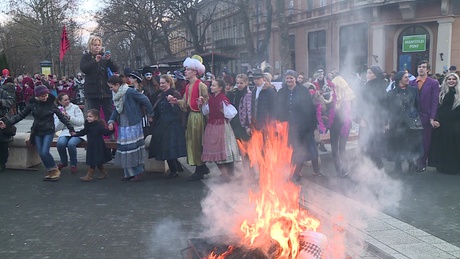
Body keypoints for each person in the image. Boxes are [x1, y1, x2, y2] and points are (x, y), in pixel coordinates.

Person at [0, 85, 76, 181]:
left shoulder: (51, 104)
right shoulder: (32, 104)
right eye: (42, 96)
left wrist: (71, 128)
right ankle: (50, 171)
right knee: (41, 153)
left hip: (48, 130)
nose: (45, 98)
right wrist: (7, 123)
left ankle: (54, 169)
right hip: (37, 131)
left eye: (46, 95)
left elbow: (61, 117)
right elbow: (20, 115)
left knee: (45, 152)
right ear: (37, 96)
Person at [167, 56, 210, 181]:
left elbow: (207, 101)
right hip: (192, 116)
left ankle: (199, 168)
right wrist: (176, 101)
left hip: (198, 117)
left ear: (195, 71)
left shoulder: (200, 85)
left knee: (197, 142)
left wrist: (202, 101)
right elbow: (185, 103)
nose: (185, 71)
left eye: (188, 69)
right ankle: (201, 167)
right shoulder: (188, 86)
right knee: (192, 142)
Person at [275, 70, 322, 181]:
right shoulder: (281, 92)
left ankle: (297, 172)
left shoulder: (303, 91)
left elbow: (310, 109)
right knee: (289, 150)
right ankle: (290, 171)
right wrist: (277, 122)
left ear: (295, 78)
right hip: (286, 126)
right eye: (287, 78)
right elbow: (277, 109)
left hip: (302, 126)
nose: (289, 80)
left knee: (300, 150)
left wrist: (312, 126)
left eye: (291, 78)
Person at [107, 75, 154, 182]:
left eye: (111, 87)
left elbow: (145, 99)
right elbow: (117, 109)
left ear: (117, 85)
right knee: (125, 149)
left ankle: (137, 171)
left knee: (131, 149)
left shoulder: (129, 92)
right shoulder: (117, 95)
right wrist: (111, 120)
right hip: (123, 125)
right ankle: (128, 172)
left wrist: (151, 113)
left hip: (132, 124)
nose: (111, 89)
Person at [200, 79, 241, 182]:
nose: (211, 87)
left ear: (220, 88)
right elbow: (205, 112)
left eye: (214, 86)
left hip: (221, 126)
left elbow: (232, 113)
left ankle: (228, 175)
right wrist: (203, 103)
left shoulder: (223, 99)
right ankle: (225, 174)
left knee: (225, 151)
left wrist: (224, 113)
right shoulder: (210, 98)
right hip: (212, 126)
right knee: (214, 151)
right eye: (212, 85)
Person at [148, 75, 186, 179]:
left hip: (172, 124)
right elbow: (158, 109)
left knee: (169, 147)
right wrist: (153, 117)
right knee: (165, 147)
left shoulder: (175, 93)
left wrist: (173, 103)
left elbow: (179, 111)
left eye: (163, 83)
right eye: (160, 83)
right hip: (163, 123)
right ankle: (176, 167)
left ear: (169, 83)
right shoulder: (161, 95)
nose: (161, 85)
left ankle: (174, 170)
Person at [386, 71, 423, 172]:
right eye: (405, 77)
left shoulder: (414, 90)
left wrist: (417, 118)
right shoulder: (391, 93)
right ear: (399, 79)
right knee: (398, 144)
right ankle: (398, 166)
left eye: (408, 77)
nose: (408, 79)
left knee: (411, 144)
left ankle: (412, 164)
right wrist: (388, 122)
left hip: (411, 123)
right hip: (397, 123)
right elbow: (388, 108)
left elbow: (417, 105)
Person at [408, 60, 440, 172]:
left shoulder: (433, 83)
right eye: (419, 66)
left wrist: (432, 117)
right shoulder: (411, 83)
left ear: (428, 70)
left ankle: (422, 162)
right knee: (413, 140)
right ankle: (413, 161)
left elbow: (435, 101)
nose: (421, 68)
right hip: (413, 117)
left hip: (426, 116)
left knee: (425, 141)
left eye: (424, 67)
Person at [355, 66, 388, 169]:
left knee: (376, 144)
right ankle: (365, 167)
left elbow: (385, 105)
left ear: (376, 75)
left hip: (377, 121)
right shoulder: (365, 87)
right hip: (365, 120)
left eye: (370, 73)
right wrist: (360, 118)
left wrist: (386, 122)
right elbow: (359, 104)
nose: (367, 75)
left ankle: (377, 168)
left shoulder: (382, 87)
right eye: (367, 73)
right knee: (365, 143)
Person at [80, 35, 119, 122]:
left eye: (98, 45)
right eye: (95, 45)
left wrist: (109, 60)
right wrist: (95, 62)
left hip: (105, 91)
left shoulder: (104, 56)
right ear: (90, 46)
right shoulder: (86, 57)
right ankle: (96, 133)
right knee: (94, 115)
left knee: (109, 114)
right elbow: (83, 69)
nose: (97, 47)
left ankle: (111, 133)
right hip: (92, 92)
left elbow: (115, 69)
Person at [428, 73, 460, 174]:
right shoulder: (441, 93)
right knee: (442, 144)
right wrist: (435, 119)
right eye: (449, 79)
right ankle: (442, 165)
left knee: (454, 145)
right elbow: (436, 107)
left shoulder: (459, 93)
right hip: (442, 124)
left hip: (455, 124)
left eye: (453, 79)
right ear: (445, 81)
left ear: (457, 81)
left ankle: (454, 167)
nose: (451, 81)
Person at [75, 109, 114, 181]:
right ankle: (103, 172)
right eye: (87, 116)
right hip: (91, 144)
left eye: (90, 116)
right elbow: (84, 131)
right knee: (97, 160)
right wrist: (76, 134)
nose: (88, 118)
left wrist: (111, 129)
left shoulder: (99, 125)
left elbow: (105, 133)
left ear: (96, 118)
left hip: (98, 145)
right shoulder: (88, 124)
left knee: (93, 160)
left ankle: (89, 175)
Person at [329, 75, 355, 177]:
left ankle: (344, 168)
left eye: (335, 86)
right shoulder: (332, 96)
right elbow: (326, 109)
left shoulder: (349, 97)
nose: (333, 88)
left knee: (342, 147)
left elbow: (353, 111)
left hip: (345, 125)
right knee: (334, 148)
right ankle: (339, 169)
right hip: (334, 125)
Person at [54, 93, 86, 174]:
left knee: (71, 144)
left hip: (78, 131)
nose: (68, 101)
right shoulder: (57, 110)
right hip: (65, 131)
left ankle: (73, 164)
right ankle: (63, 162)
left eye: (68, 99)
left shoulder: (75, 107)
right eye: (65, 100)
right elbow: (57, 128)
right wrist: (62, 119)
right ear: (60, 102)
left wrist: (69, 118)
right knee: (60, 143)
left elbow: (81, 122)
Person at [249, 68, 276, 133]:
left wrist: (272, 122)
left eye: (258, 79)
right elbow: (253, 107)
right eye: (254, 79)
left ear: (263, 78)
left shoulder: (269, 90)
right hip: (256, 122)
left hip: (266, 123)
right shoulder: (254, 90)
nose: (256, 81)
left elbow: (274, 107)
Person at [0, 87, 14, 172]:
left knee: (2, 143)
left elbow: (11, 101)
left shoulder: (3, 92)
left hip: (1, 120)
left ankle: (2, 163)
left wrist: (1, 101)